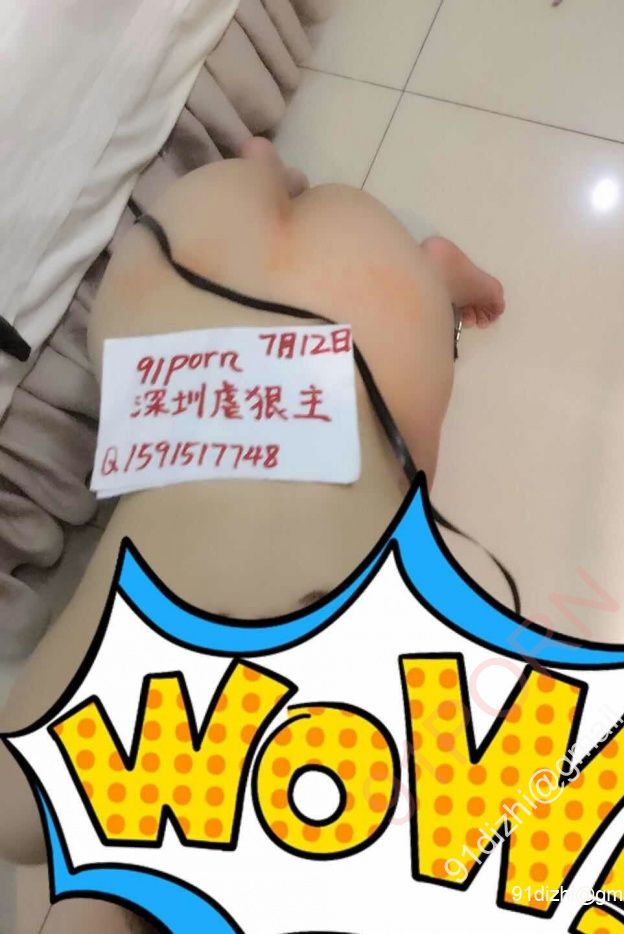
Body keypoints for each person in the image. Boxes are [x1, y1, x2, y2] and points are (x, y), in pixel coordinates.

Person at [0, 138, 505, 933]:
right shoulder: (29, 797)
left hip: (377, 301)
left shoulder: (375, 793)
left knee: (405, 483)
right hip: (179, 258)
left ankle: (432, 275)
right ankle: (265, 169)